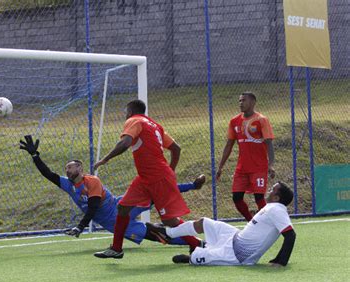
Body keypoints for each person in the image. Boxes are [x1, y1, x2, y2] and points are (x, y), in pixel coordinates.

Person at [19, 135, 206, 246]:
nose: (67, 170)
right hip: (113, 222)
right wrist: (35, 155)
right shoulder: (69, 185)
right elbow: (48, 174)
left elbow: (92, 207)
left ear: (80, 169)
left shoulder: (92, 181)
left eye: (71, 167)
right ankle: (198, 243)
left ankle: (192, 186)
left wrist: (80, 227)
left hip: (121, 205)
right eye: (66, 168)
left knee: (155, 193)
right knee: (158, 235)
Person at [93, 99, 203, 259]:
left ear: (130, 112)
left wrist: (105, 159)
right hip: (145, 177)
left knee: (170, 221)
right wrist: (170, 170)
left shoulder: (134, 120)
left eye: (126, 113)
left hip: (157, 176)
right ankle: (116, 249)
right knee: (123, 207)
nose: (125, 116)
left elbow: (125, 143)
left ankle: (196, 244)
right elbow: (176, 148)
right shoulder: (154, 125)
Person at [148, 182, 296, 267]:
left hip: (237, 255)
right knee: (204, 222)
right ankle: (168, 233)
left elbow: (290, 235)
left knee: (196, 257)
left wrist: (281, 261)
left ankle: (193, 256)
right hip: (234, 236)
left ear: (276, 197)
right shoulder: (273, 207)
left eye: (272, 190)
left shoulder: (277, 209)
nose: (269, 191)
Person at [216, 92, 275, 221]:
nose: (241, 103)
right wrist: (220, 167)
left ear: (253, 102)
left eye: (244, 100)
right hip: (241, 168)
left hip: (259, 167)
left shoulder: (261, 120)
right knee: (236, 198)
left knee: (259, 198)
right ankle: (251, 222)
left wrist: (271, 165)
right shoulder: (234, 121)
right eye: (239, 100)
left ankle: (269, 222)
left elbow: (269, 143)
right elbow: (229, 145)